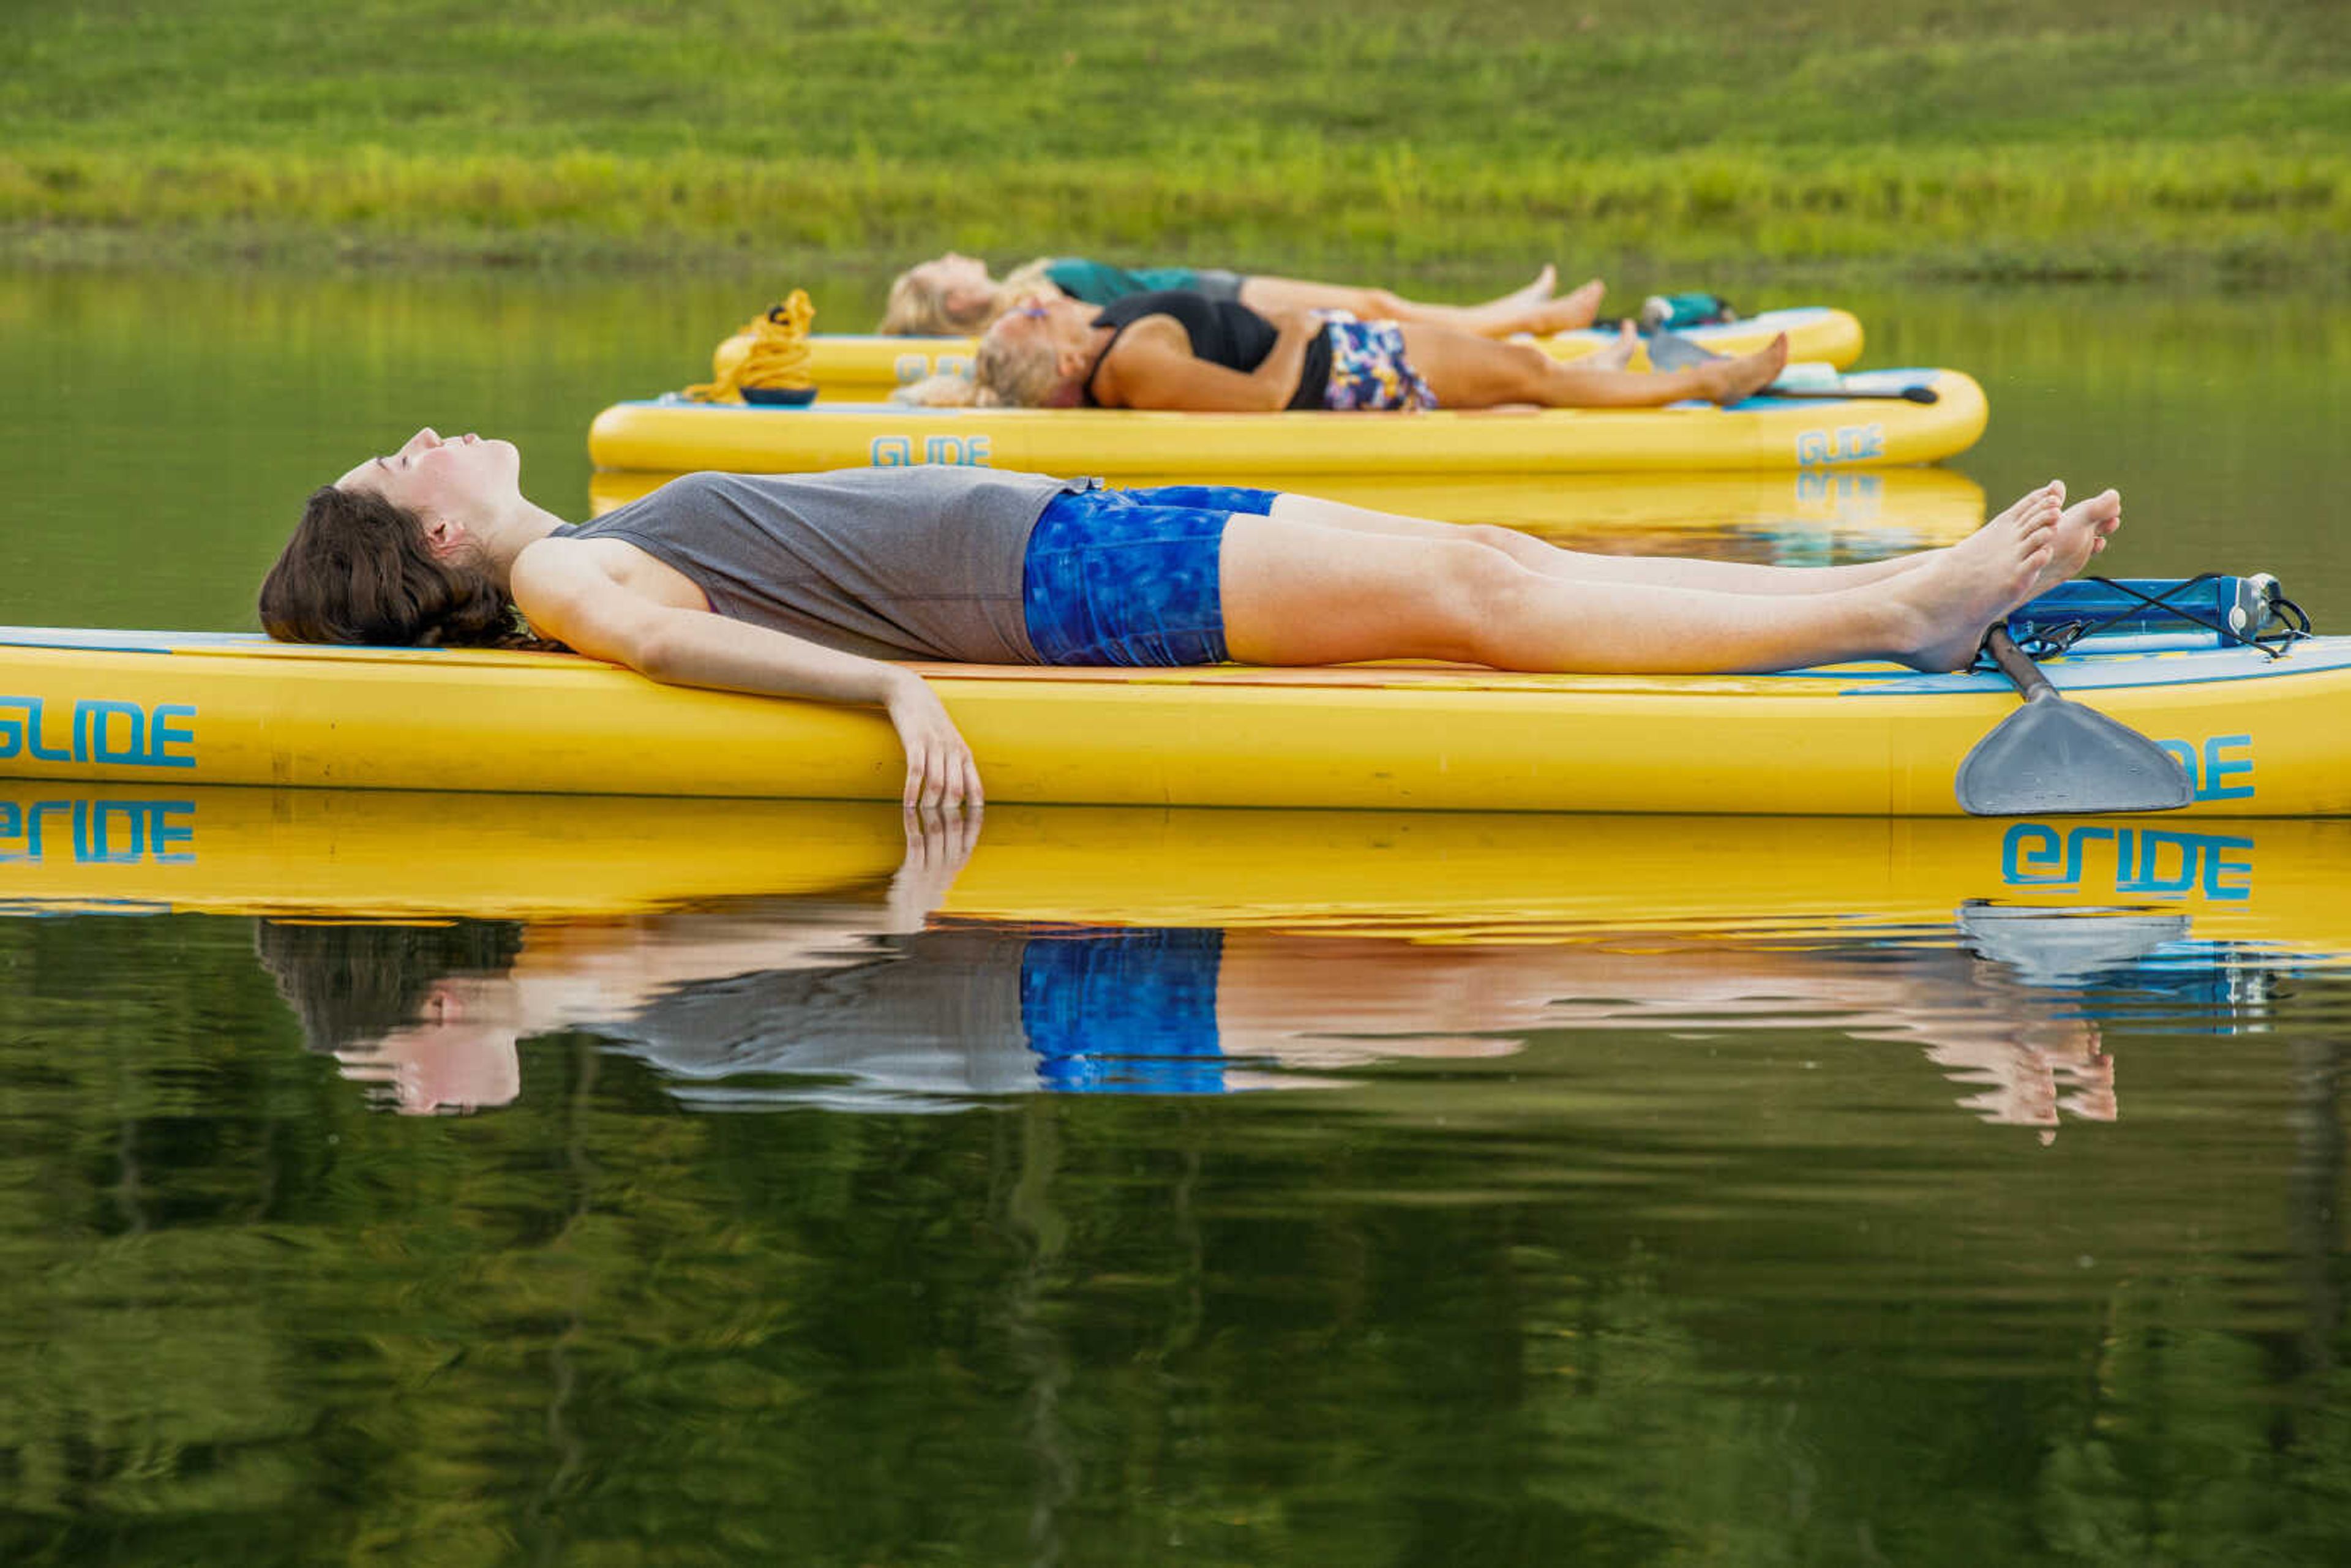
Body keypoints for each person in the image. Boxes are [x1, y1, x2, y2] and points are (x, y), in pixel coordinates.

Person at [259, 428, 2124, 811]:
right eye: (405, 452)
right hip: (1070, 578)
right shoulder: (560, 570)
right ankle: (1909, 612)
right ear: (427, 523)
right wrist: (885, 689)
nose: (435, 429)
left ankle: (1892, 600)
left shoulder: (573, 546)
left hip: (1077, 546)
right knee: (1487, 594)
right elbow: (659, 645)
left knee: (1492, 574)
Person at [917, 288, 1785, 411]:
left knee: (1526, 376)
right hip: (1353, 367)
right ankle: (1710, 381)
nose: (1035, 300)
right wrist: (1298, 331)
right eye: (1031, 312)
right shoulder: (1130, 360)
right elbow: (1259, 402)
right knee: (1532, 374)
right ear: (1066, 362)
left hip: (1351, 353)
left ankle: (1614, 377)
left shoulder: (1108, 333)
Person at [881, 251, 1598, 339]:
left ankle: (1512, 315)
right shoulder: (1029, 313)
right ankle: (1524, 319)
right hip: (1214, 300)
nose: (953, 257)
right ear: (950, 303)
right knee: (1371, 306)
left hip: (1201, 289)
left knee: (1372, 301)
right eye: (942, 268)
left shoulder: (1022, 291)